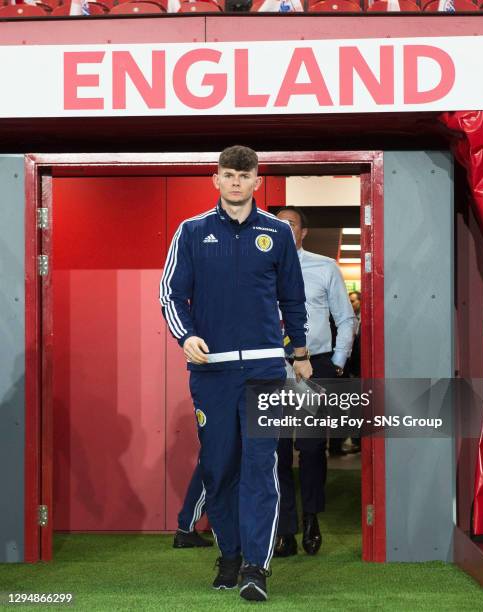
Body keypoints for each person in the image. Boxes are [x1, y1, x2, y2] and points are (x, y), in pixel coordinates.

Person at [159, 146, 311, 602]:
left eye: (244, 176)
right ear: (216, 180)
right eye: (228, 175)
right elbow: (170, 294)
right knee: (220, 468)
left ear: (256, 181)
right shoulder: (191, 232)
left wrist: (299, 352)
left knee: (262, 469)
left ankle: (255, 568)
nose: (236, 183)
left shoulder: (278, 233)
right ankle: (230, 554)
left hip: (266, 368)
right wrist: (185, 336)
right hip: (213, 373)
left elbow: (294, 299)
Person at [273, 206, 355, 557]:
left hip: (314, 366)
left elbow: (345, 317)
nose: (281, 228)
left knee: (309, 449)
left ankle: (311, 518)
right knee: (275, 452)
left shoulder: (324, 267)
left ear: (303, 232)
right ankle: (284, 528)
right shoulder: (260, 266)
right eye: (276, 223)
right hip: (271, 369)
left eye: (289, 223)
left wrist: (337, 362)